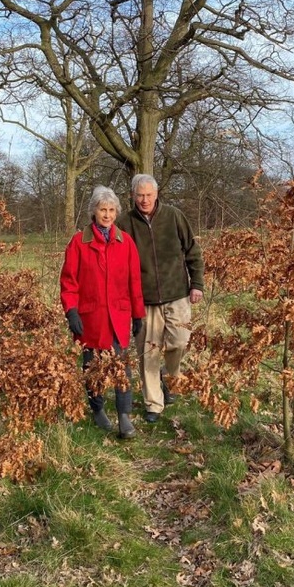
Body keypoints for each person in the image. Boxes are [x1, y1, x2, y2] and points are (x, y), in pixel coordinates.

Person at [60, 185, 146, 439]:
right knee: (92, 367)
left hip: (118, 317)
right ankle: (97, 409)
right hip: (90, 318)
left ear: (116, 212)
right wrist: (71, 311)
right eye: (102, 210)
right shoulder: (79, 242)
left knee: (122, 367)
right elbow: (68, 281)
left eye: (111, 210)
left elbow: (134, 282)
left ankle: (124, 417)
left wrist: (138, 315)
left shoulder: (125, 241)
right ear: (93, 212)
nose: (107, 215)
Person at [117, 174, 204, 422]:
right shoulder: (124, 223)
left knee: (180, 342)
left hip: (177, 293)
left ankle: (170, 375)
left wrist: (196, 283)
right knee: (149, 353)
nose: (144, 200)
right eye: (140, 195)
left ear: (157, 195)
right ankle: (153, 403)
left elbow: (192, 251)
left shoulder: (174, 216)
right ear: (133, 196)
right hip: (144, 300)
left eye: (149, 195)